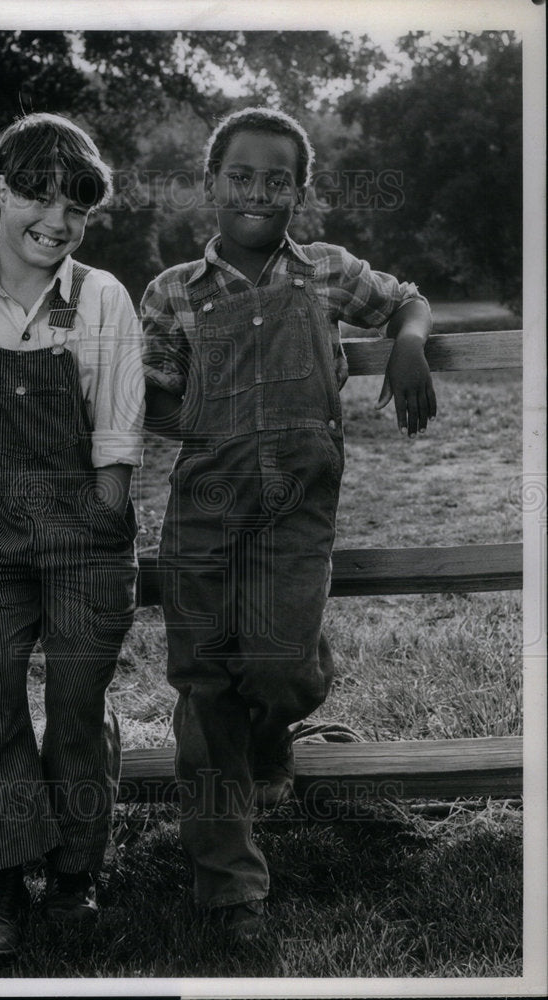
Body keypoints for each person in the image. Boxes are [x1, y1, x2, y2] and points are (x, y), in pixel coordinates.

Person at [140, 106, 436, 944]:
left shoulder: (329, 273)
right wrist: (214, 415)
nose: (258, 193)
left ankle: (283, 726)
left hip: (297, 518)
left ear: (301, 191)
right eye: (241, 176)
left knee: (281, 674)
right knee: (206, 691)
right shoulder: (172, 292)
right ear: (211, 184)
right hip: (203, 514)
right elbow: (151, 397)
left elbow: (407, 299)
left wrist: (409, 343)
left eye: (278, 180)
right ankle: (229, 890)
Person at [0, 112, 144, 961]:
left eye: (76, 208)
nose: (55, 221)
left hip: (88, 534)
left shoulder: (102, 297)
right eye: (37, 197)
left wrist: (102, 515)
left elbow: (119, 429)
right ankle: (3, 881)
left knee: (77, 705)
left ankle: (77, 875)